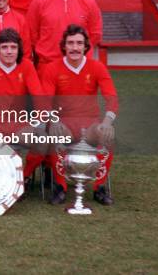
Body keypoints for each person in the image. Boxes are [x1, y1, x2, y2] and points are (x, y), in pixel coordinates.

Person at [42, 25, 117, 206]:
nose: (75, 47)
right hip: (64, 121)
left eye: (79, 43)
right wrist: (53, 120)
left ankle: (99, 188)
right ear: (64, 46)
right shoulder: (52, 68)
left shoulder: (97, 67)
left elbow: (111, 98)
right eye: (71, 43)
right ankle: (60, 187)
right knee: (55, 134)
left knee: (107, 136)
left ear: (85, 46)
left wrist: (107, 122)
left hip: (89, 123)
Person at [0, 28, 46, 196]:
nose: (9, 51)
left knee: (42, 142)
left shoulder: (26, 65)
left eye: (13, 47)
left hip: (18, 125)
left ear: (19, 49)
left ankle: (23, 178)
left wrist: (38, 124)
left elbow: (39, 97)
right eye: (5, 47)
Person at [27, 0, 102, 75]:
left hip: (79, 67)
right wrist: (47, 51)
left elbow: (95, 34)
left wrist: (77, 53)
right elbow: (32, 34)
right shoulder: (39, 2)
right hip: (48, 66)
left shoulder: (89, 2)